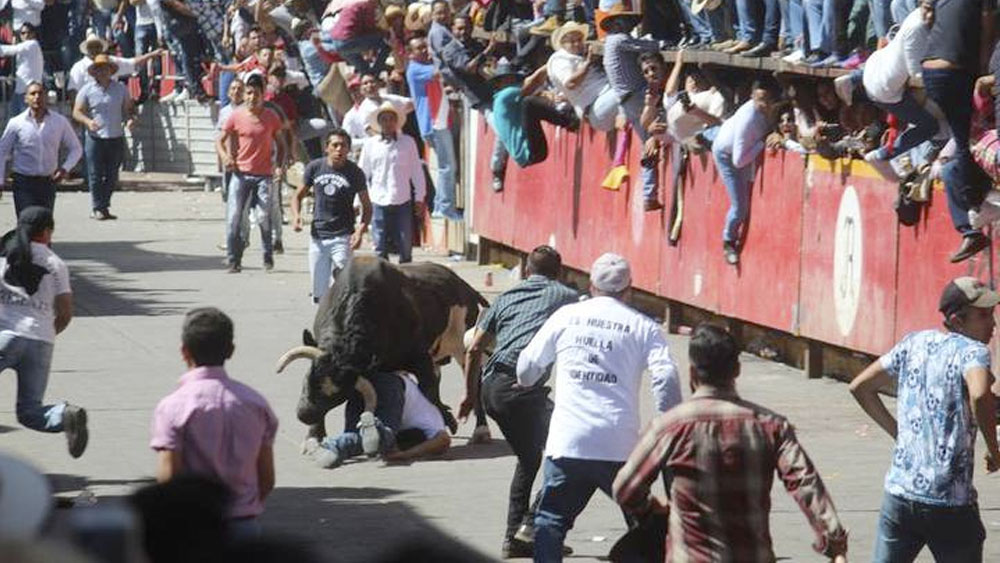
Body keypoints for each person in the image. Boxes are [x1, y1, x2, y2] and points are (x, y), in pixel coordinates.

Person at [613, 324, 850, 563]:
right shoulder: (770, 425)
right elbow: (805, 483)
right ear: (736, 370)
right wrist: (834, 542)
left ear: (692, 372)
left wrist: (651, 509)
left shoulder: (668, 427)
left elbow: (625, 489)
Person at [516, 253, 683, 562]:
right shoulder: (643, 327)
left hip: (569, 441)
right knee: (643, 521)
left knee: (550, 521)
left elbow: (527, 367)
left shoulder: (566, 316)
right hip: (620, 445)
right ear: (628, 289)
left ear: (591, 286)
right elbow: (666, 375)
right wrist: (668, 421)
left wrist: (528, 382)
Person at [849, 276, 1000, 562]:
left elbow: (861, 387)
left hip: (899, 494)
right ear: (957, 321)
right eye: (983, 316)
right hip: (950, 503)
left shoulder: (914, 343)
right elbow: (980, 396)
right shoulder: (973, 352)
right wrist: (995, 451)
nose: (992, 324)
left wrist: (899, 434)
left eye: (992, 315)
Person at [461, 246, 580, 559]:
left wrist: (469, 397)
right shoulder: (566, 295)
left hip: (491, 389)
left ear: (527, 270)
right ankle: (531, 526)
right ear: (560, 271)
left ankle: (515, 539)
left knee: (529, 459)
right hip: (521, 389)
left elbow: (474, 349)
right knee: (573, 454)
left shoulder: (506, 296)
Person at [150, 307, 278, 538]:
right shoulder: (256, 404)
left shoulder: (173, 407)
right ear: (231, 351)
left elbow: (168, 478)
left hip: (193, 530)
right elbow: (266, 479)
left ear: (184, 351)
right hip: (245, 528)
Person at [0, 206, 88, 458]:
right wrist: (48, 334)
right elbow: (65, 312)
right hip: (41, 340)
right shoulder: (55, 264)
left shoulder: (5, 258)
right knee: (29, 411)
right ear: (47, 232)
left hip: (6, 335)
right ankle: (65, 415)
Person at [922, 0, 997, 263]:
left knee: (958, 153)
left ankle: (969, 223)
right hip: (954, 70)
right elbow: (988, 25)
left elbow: (927, 16)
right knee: (965, 146)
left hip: (931, 70)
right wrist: (983, 68)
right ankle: (974, 203)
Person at [833, 0, 939, 181]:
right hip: (885, 90)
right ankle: (883, 155)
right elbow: (916, 75)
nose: (930, 15)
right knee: (930, 126)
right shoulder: (918, 29)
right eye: (928, 10)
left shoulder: (916, 15)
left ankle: (852, 79)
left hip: (874, 68)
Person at [216, 74, 287, 273]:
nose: (251, 97)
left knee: (264, 216)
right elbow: (220, 140)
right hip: (240, 174)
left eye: (256, 93)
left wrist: (280, 166)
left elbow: (282, 145)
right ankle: (233, 260)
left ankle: (267, 255)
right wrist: (225, 158)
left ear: (263, 95)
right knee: (234, 218)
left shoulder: (271, 117)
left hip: (264, 175)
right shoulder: (236, 116)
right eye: (248, 93)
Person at [291, 130, 373, 304]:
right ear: (326, 148)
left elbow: (367, 206)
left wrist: (360, 230)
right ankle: (323, 328)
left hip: (343, 237)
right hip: (318, 238)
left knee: (345, 286)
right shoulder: (315, 167)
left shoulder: (355, 172)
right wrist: (296, 216)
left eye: (343, 145)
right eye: (334, 145)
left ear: (349, 149)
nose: (339, 149)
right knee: (319, 294)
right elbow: (297, 196)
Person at [312, 371, 451, 468]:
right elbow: (444, 441)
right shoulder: (433, 422)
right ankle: (375, 428)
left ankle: (333, 446)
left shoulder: (424, 414)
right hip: (393, 388)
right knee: (384, 437)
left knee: (356, 437)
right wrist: (404, 455)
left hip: (373, 381)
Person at [601, 7, 666, 211]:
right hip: (637, 96)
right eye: (626, 21)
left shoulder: (610, 43)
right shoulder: (619, 40)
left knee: (648, 143)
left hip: (627, 100)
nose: (630, 25)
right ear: (617, 23)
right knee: (661, 120)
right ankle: (649, 193)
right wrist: (664, 43)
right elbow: (647, 45)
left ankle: (650, 193)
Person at [712, 79, 778, 265]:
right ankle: (728, 241)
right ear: (752, 97)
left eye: (766, 100)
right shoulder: (748, 119)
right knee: (740, 207)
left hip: (739, 147)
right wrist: (761, 143)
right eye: (759, 100)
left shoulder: (770, 110)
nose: (762, 105)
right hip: (727, 155)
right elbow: (738, 161)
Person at [0, 82, 83, 217]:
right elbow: (2, 151)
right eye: (33, 94)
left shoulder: (59, 122)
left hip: (47, 182)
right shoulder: (16, 123)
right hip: (23, 182)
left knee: (43, 226)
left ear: (46, 97)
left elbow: (76, 148)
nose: (37, 97)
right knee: (26, 222)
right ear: (26, 98)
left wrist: (65, 169)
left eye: (40, 93)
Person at [358, 102, 426, 264]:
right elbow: (362, 175)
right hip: (377, 199)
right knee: (379, 244)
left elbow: (416, 171)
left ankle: (406, 279)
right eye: (384, 119)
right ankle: (383, 281)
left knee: (405, 243)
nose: (388, 123)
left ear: (396, 122)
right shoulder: (370, 144)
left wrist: (419, 197)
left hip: (402, 198)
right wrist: (359, 201)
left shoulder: (408, 143)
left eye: (391, 119)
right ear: (379, 122)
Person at [72, 53, 136, 221]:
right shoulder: (87, 89)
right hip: (95, 137)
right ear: (95, 72)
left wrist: (130, 120)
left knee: (112, 174)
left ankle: (104, 205)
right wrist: (87, 122)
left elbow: (128, 110)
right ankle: (97, 207)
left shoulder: (121, 89)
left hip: (115, 136)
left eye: (106, 69)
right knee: (94, 174)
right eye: (99, 69)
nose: (103, 72)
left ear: (111, 71)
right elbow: (77, 112)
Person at [405, 35, 461, 221]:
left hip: (436, 121)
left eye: (425, 47)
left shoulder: (421, 67)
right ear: (410, 54)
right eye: (419, 48)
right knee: (448, 166)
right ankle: (446, 208)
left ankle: (440, 206)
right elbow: (440, 72)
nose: (424, 50)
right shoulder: (415, 69)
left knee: (446, 166)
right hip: (433, 122)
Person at [489, 61, 579, 170]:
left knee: (529, 103)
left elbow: (532, 91)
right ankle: (569, 121)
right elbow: (532, 83)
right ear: (499, 83)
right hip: (529, 151)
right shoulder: (505, 95)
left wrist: (545, 94)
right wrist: (552, 63)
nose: (510, 81)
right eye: (506, 79)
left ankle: (567, 118)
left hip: (530, 154)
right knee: (529, 103)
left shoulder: (501, 100)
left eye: (511, 78)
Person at [545, 21, 619, 132]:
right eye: (572, 41)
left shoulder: (577, 56)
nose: (577, 44)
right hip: (596, 106)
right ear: (562, 43)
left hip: (603, 101)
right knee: (630, 88)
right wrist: (588, 63)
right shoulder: (559, 59)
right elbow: (571, 83)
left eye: (579, 40)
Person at [0, 24, 43, 117]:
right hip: (20, 89)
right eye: (22, 33)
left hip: (28, 91)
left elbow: (8, 50)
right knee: (14, 122)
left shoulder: (32, 44)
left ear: (33, 34)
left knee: (28, 122)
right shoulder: (25, 47)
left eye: (28, 32)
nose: (25, 35)